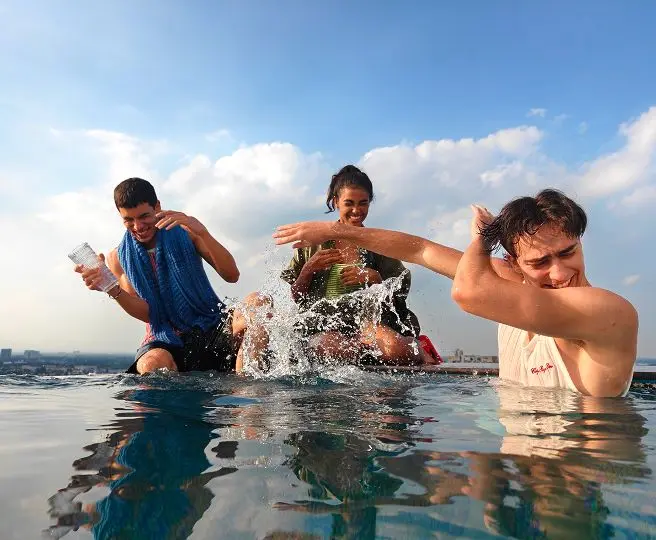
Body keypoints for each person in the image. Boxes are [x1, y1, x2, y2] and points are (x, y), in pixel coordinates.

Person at [274, 188, 638, 397]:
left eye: (568, 253)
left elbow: (468, 291)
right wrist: (334, 230)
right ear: (514, 263)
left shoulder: (607, 312)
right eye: (540, 261)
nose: (559, 273)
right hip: (518, 471)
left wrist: (481, 241)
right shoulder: (511, 286)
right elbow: (421, 250)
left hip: (576, 484)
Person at [75, 177, 270, 374]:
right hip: (165, 337)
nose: (138, 226)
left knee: (258, 302)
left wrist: (203, 233)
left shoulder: (187, 232)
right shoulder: (117, 257)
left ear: (157, 207)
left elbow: (232, 275)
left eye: (144, 216)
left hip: (210, 324)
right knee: (150, 364)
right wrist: (110, 286)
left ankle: (246, 388)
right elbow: (148, 314)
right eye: (129, 220)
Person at [279, 165, 440, 366]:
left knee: (394, 349)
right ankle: (360, 351)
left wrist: (376, 279)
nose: (357, 210)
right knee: (330, 348)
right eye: (349, 203)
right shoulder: (313, 244)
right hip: (324, 325)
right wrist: (308, 269)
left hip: (369, 323)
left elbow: (397, 298)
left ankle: (419, 347)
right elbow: (297, 296)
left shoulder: (379, 244)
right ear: (336, 202)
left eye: (363, 203)